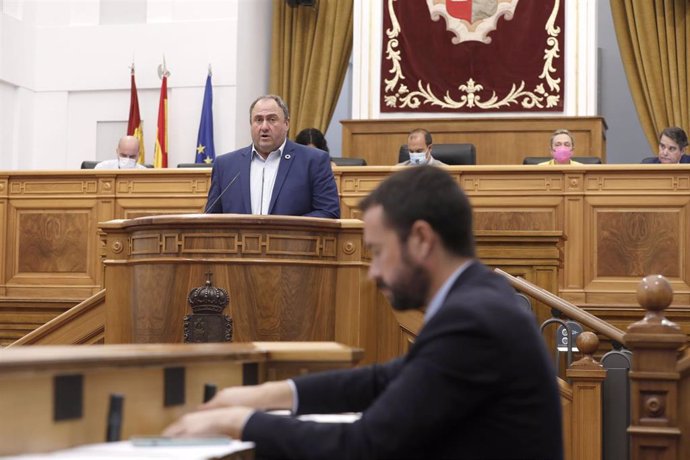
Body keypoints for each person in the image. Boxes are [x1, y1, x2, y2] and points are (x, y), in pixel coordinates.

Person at [164, 166, 564, 460]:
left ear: (422, 239)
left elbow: (365, 446)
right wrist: (266, 394)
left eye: (377, 251)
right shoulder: (482, 294)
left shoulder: (473, 321)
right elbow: (388, 379)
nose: (372, 273)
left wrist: (240, 423)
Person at [205, 95, 340, 218]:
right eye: (258, 120)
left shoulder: (314, 161)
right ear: (251, 124)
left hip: (292, 243)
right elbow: (210, 217)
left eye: (272, 119)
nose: (264, 127)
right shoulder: (225, 165)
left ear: (286, 124)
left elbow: (329, 212)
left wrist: (284, 230)